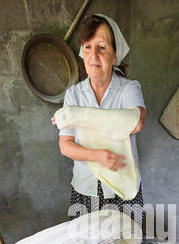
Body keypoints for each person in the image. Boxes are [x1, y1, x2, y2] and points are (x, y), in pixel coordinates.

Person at [52, 14, 146, 225]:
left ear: (114, 55)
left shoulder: (128, 89)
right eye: (87, 47)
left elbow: (137, 122)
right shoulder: (73, 95)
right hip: (85, 191)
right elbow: (65, 146)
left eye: (102, 47)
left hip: (124, 190)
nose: (93, 55)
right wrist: (97, 156)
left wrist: (74, 115)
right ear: (82, 54)